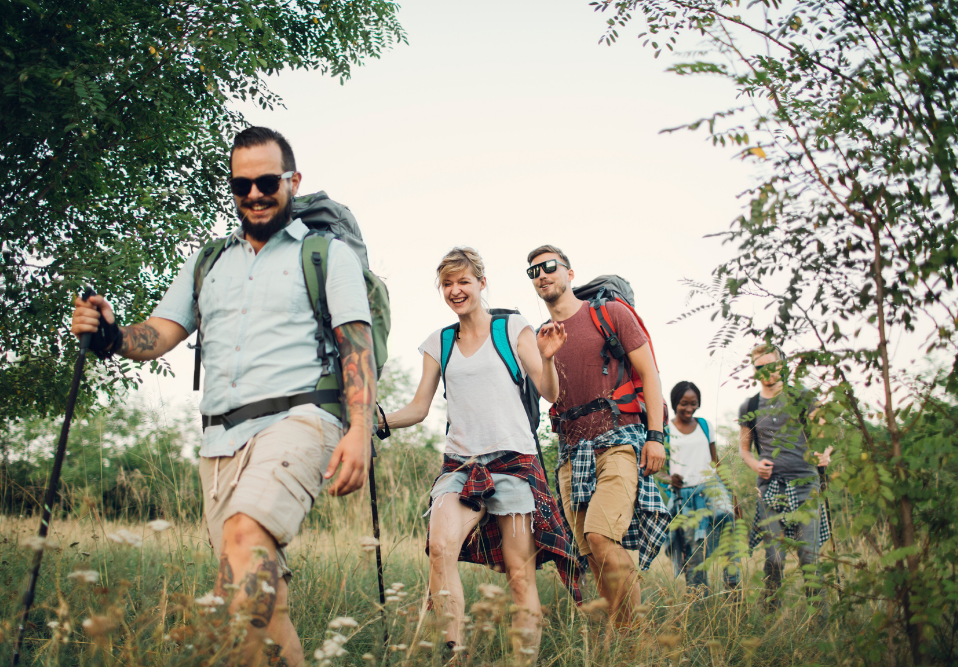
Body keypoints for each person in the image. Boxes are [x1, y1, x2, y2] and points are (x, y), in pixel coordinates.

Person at [70, 127, 375, 666]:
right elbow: (162, 332)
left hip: (300, 419)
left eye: (265, 181)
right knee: (262, 598)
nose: (254, 194)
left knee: (243, 541)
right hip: (219, 442)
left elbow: (356, 345)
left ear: (292, 180)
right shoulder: (207, 261)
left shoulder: (326, 254)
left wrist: (358, 431)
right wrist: (112, 336)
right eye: (241, 184)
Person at [382, 247, 580, 663]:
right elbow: (419, 408)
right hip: (461, 464)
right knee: (440, 550)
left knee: (519, 574)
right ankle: (456, 653)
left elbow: (549, 393)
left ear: (481, 284)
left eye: (463, 282)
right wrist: (378, 420)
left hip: (515, 463)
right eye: (448, 284)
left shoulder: (512, 328)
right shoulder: (440, 342)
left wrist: (546, 359)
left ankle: (523, 659)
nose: (456, 291)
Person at [526, 244, 669, 630]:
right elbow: (552, 395)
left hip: (618, 440)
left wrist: (655, 436)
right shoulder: (542, 337)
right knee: (593, 555)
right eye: (534, 271)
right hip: (572, 453)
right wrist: (547, 356)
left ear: (570, 274)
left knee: (602, 538)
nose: (542, 275)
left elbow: (650, 374)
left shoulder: (609, 314)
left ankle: (634, 637)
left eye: (550, 267)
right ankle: (621, 638)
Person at [738, 344, 833, 606]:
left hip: (805, 485)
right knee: (774, 558)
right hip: (770, 490)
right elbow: (744, 449)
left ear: (782, 365)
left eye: (771, 365)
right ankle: (770, 618)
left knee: (810, 559)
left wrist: (825, 452)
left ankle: (820, 623)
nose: (766, 372)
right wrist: (755, 465)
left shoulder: (802, 396)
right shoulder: (750, 405)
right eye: (760, 368)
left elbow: (826, 432)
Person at [665, 381, 739, 594]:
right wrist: (669, 478)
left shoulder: (705, 425)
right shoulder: (666, 430)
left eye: (693, 403)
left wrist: (732, 494)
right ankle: (699, 599)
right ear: (674, 403)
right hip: (685, 494)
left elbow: (716, 462)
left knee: (728, 522)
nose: (689, 408)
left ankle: (732, 585)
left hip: (711, 486)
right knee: (695, 548)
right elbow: (657, 468)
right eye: (684, 404)